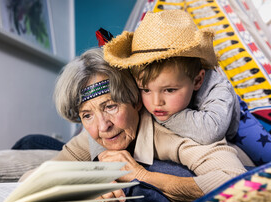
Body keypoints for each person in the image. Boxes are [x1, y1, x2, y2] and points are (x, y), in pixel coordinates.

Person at [20, 47, 247, 202]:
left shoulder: (176, 130)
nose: (103, 126)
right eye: (87, 115)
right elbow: (32, 177)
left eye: (110, 106)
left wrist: (140, 175)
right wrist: (86, 182)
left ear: (136, 101)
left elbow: (239, 183)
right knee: (29, 142)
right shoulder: (96, 134)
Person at [103, 9, 271, 165]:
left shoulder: (219, 88)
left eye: (169, 90)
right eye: (145, 90)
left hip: (236, 124)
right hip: (192, 120)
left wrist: (168, 118)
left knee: (267, 156)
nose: (156, 102)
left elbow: (210, 131)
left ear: (197, 81)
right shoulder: (149, 87)